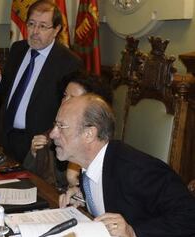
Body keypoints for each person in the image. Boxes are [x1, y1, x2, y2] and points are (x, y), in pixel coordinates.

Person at [53, 94, 195, 236]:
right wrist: (83, 197)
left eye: (61, 126)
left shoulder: (137, 170)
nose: (53, 134)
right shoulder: (90, 163)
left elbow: (189, 215)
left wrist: (133, 232)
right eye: (55, 125)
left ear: (89, 134)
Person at [0, 0, 82, 163]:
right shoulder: (18, 49)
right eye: (31, 24)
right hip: (8, 137)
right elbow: (9, 90)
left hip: (39, 146)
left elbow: (71, 108)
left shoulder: (68, 62)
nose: (35, 31)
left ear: (56, 30)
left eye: (43, 26)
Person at [23, 72, 112, 190]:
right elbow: (26, 177)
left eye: (73, 98)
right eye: (65, 96)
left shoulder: (100, 149)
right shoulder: (52, 135)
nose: (65, 102)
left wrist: (74, 183)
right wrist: (36, 155)